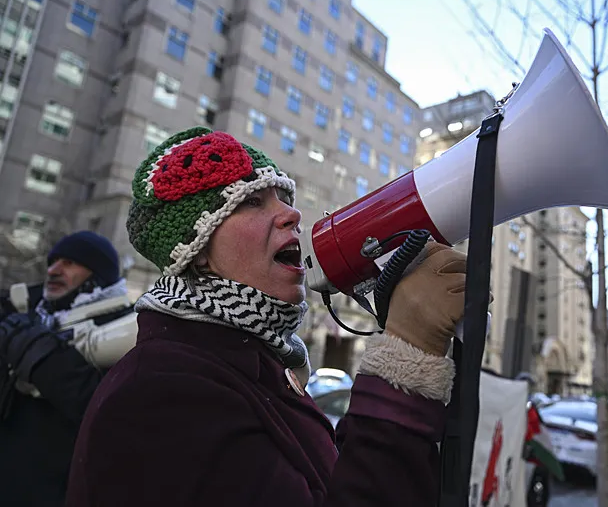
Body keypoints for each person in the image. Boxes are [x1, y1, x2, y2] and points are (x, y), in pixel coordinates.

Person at [65, 127, 467, 507]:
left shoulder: (253, 365)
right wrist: (406, 355)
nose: (292, 215)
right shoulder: (162, 393)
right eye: (252, 201)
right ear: (196, 247)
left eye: (284, 199)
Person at [0, 231, 134, 507]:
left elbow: (111, 413)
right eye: (53, 261)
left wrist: (44, 359)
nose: (54, 270)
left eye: (70, 262)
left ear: (98, 275)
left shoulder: (127, 329)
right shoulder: (31, 314)